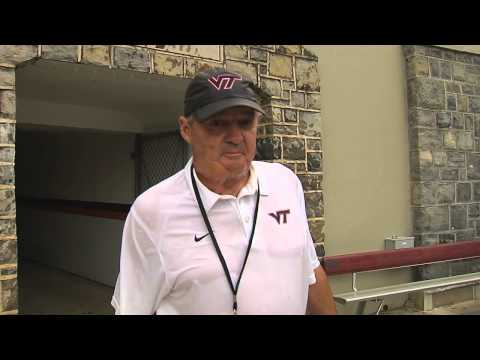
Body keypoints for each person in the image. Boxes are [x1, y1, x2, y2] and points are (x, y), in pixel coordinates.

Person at [111, 68, 336, 315]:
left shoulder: (285, 183)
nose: (235, 136)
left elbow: (310, 272)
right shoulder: (151, 211)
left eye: (245, 122)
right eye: (217, 124)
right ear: (186, 129)